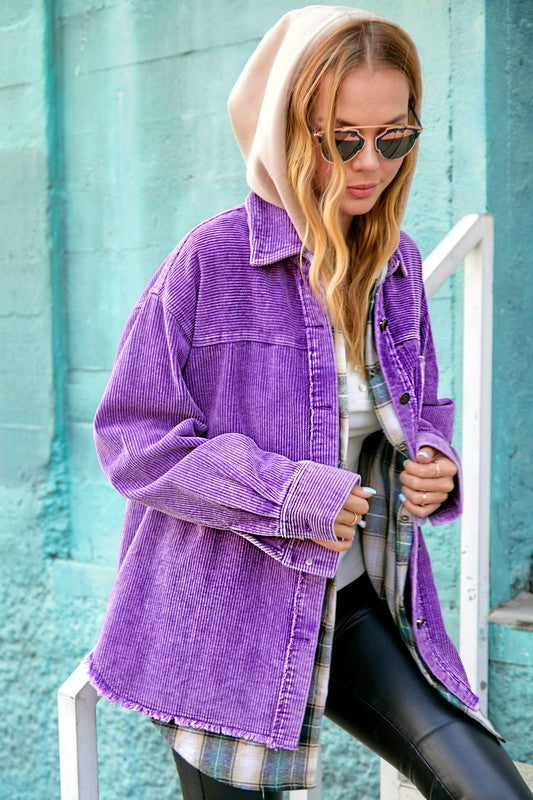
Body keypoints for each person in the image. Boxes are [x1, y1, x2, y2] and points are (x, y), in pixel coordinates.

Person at [87, 6, 532, 800]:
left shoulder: (393, 263)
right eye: (341, 138)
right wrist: (297, 494)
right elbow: (134, 440)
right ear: (288, 131)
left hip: (357, 599)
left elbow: (413, 400)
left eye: (393, 137)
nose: (370, 163)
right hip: (221, 618)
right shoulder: (212, 260)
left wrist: (431, 461)